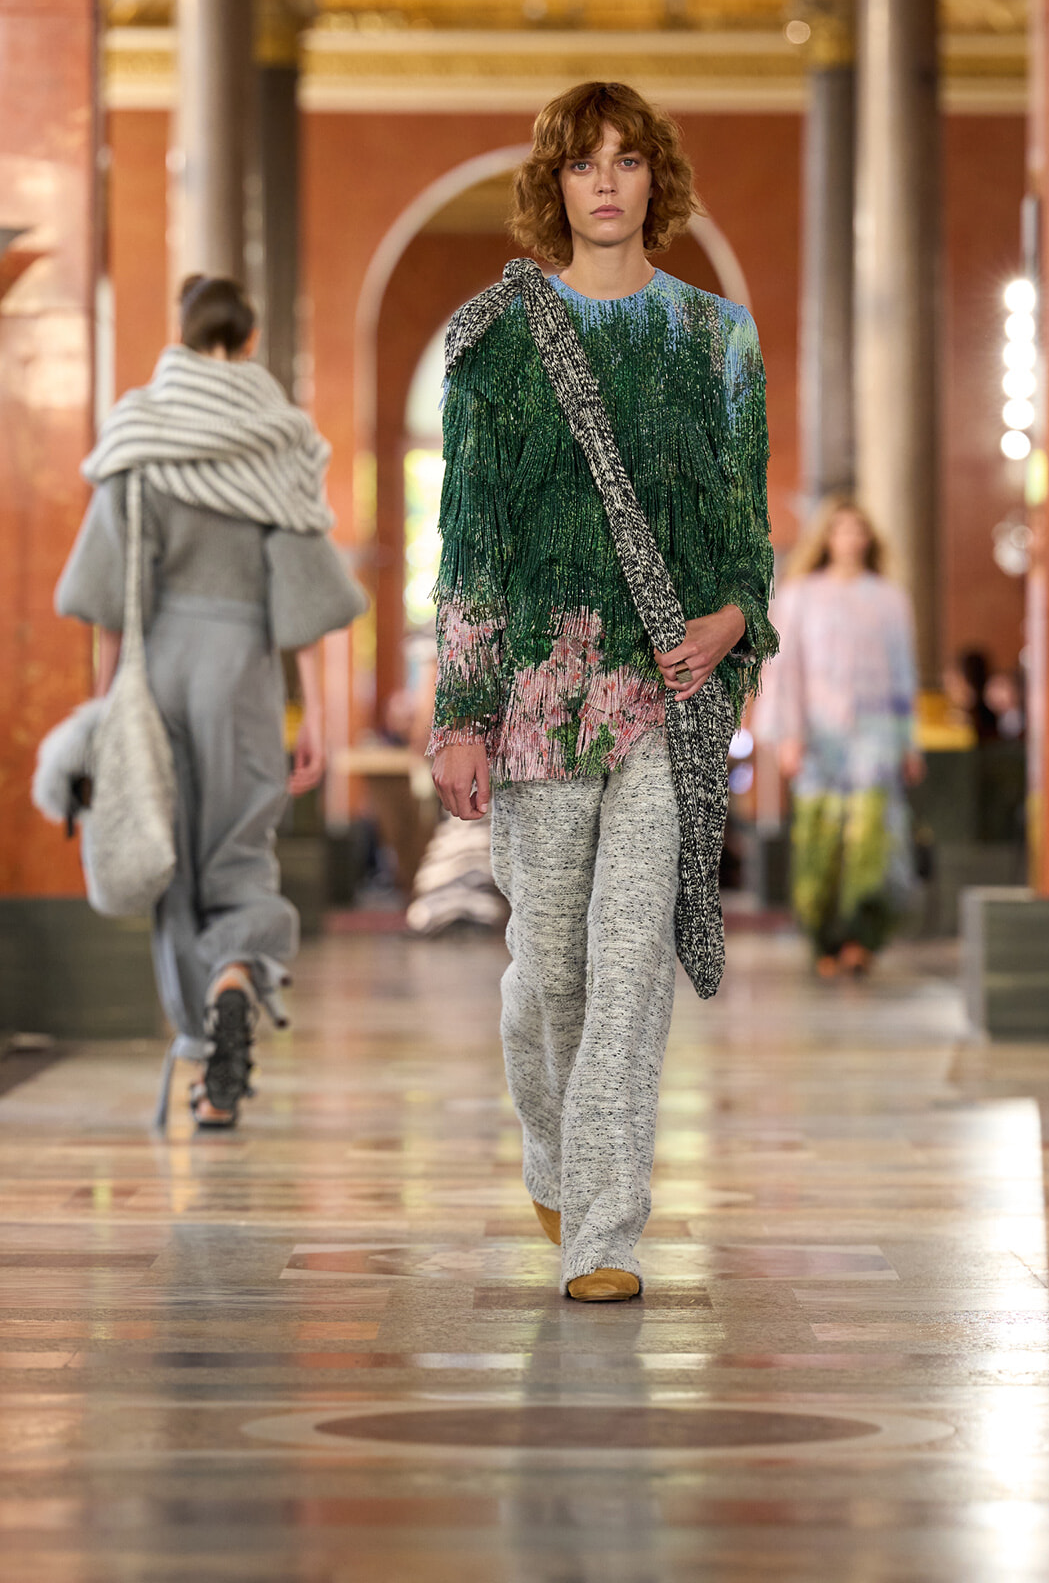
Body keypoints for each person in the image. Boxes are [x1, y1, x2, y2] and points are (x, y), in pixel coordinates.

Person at [428, 80, 776, 1301]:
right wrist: (456, 713)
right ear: (556, 184)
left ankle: (604, 1234)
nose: (610, 182)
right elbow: (469, 539)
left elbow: (749, 544)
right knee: (552, 973)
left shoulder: (716, 342)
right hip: (535, 700)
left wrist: (731, 620)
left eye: (630, 160)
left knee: (628, 963)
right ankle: (551, 1148)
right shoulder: (496, 342)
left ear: (655, 178)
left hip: (669, 707)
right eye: (586, 163)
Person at [55, 275, 365, 1129]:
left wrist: (111, 702)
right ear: (252, 334)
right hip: (246, 673)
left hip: (156, 668)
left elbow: (110, 591)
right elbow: (301, 601)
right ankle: (238, 976)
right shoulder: (279, 440)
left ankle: (200, 1050)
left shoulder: (141, 432)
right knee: (241, 855)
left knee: (171, 862)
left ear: (182, 332)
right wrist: (316, 718)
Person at [758, 496, 923, 978]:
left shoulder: (889, 598)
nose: (850, 539)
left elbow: (903, 674)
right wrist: (788, 735)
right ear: (826, 537)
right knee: (820, 838)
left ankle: (863, 936)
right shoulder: (800, 595)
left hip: (875, 735)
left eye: (859, 530)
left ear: (868, 538)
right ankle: (823, 938)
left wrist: (909, 741)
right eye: (841, 529)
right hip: (817, 735)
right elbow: (785, 669)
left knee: (874, 836)